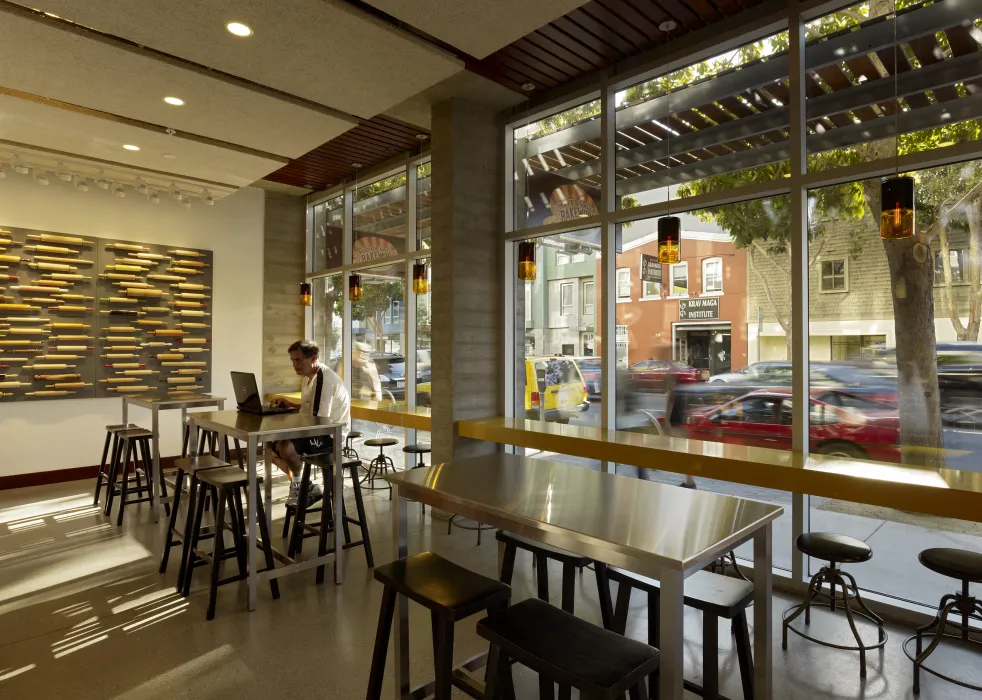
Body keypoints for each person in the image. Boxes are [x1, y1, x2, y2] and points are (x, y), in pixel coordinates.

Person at [269, 340, 350, 507]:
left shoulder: (323, 379)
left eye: (298, 360)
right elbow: (310, 409)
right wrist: (290, 405)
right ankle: (306, 486)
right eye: (292, 360)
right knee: (266, 448)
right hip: (316, 427)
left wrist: (285, 424)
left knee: (285, 446)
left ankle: (298, 485)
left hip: (330, 435)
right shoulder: (307, 377)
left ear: (313, 358)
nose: (294, 365)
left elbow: (318, 420)